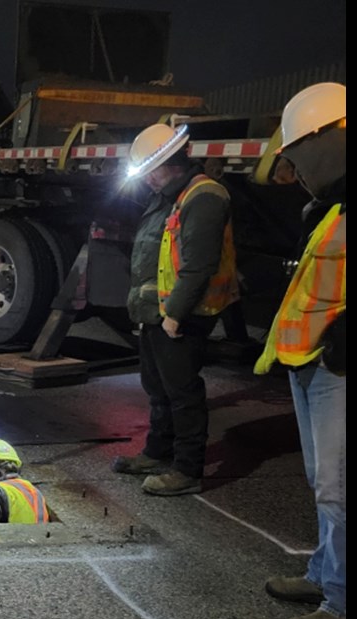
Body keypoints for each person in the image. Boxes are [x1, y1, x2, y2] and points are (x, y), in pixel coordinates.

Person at [254, 82, 345, 619]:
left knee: (339, 488)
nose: (296, 170)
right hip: (308, 360)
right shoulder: (333, 206)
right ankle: (324, 572)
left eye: (298, 157)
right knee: (323, 482)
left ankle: (339, 605)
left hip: (337, 366)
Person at [111, 122, 240, 496]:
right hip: (157, 311)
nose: (147, 179)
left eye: (150, 170)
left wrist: (175, 315)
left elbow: (199, 264)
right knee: (158, 387)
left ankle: (186, 469)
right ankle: (157, 452)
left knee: (182, 392)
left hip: (181, 315)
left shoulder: (204, 196)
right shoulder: (171, 194)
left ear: (169, 163)